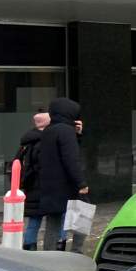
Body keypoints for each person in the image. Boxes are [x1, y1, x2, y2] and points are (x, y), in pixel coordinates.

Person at [37, 97, 89, 251]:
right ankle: (77, 252)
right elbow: (71, 158)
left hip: (50, 184)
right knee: (82, 216)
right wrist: (82, 183)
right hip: (68, 183)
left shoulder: (49, 130)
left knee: (53, 223)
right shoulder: (66, 131)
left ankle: (49, 255)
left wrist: (77, 135)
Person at [16, 111, 50, 251]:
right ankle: (57, 247)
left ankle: (29, 247)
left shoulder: (27, 141)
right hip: (43, 186)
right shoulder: (44, 141)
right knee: (57, 219)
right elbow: (43, 165)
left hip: (31, 186)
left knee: (34, 221)